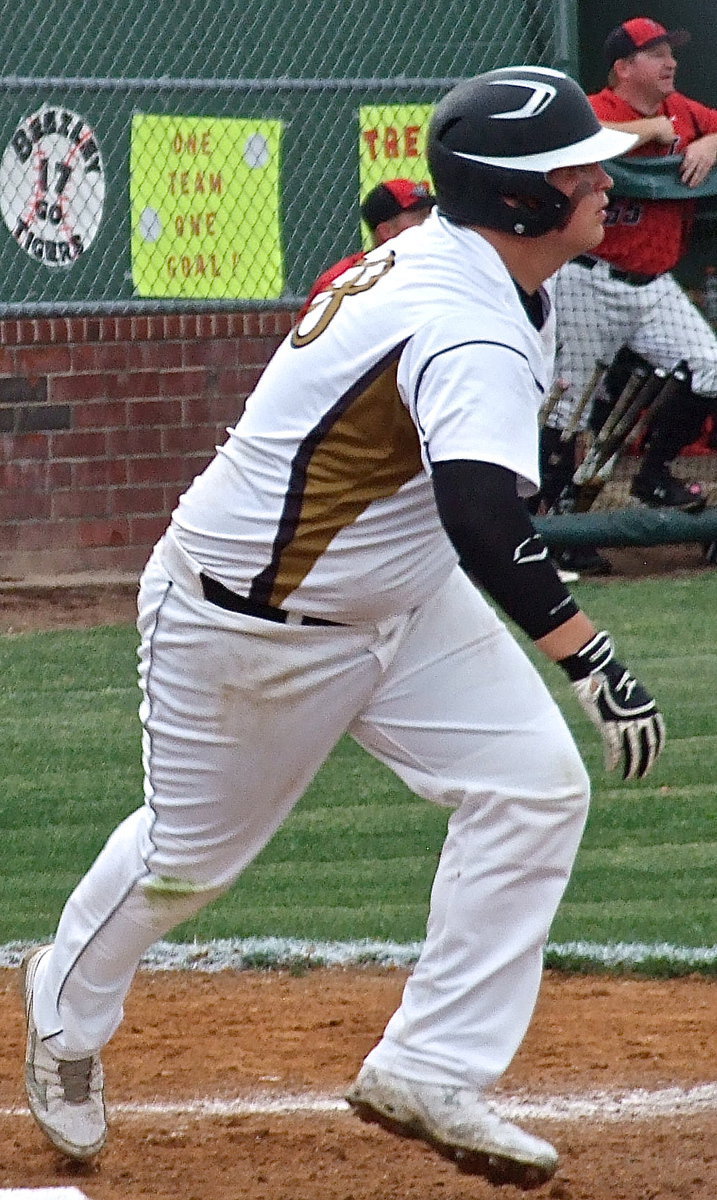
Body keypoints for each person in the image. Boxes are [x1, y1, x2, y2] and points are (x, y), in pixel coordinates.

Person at [21, 66, 666, 1189]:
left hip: (400, 598)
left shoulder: (502, 273)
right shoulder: (464, 315)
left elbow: (454, 513)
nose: (603, 182)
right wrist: (592, 662)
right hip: (252, 628)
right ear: (518, 201)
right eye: (577, 169)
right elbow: (480, 513)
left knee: (532, 787)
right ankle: (65, 1012)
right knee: (186, 863)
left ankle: (429, 1067)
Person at [541, 16, 717, 575]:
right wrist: (651, 132)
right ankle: (558, 525)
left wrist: (711, 140)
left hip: (655, 284)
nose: (670, 62)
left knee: (709, 369)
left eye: (671, 52)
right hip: (589, 278)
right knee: (571, 407)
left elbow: (711, 127)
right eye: (655, 54)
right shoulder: (594, 108)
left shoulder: (688, 111)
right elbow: (583, 143)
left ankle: (654, 475)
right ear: (623, 68)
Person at [299, 177, 435, 317]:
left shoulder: (440, 266)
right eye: (421, 217)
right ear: (385, 231)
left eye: (432, 215)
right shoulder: (339, 282)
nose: (432, 223)